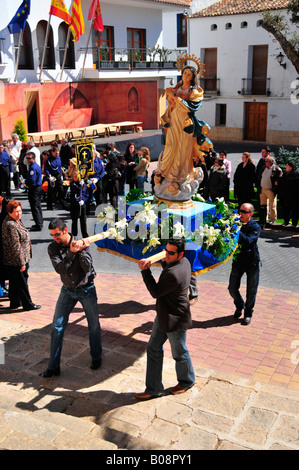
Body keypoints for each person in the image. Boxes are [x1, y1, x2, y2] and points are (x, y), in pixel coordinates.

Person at [40, 218, 102, 378]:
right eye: (53, 235)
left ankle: (96, 357)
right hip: (67, 290)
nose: (55, 238)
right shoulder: (52, 248)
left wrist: (80, 250)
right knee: (57, 327)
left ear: (65, 230)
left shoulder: (81, 242)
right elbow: (61, 269)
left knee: (93, 325)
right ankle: (53, 367)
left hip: (86, 289)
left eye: (57, 234)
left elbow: (87, 268)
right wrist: (71, 252)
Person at [136, 238, 195, 400]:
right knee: (153, 348)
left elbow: (155, 292)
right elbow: (169, 280)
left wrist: (145, 271)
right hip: (164, 315)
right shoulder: (185, 262)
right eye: (165, 250)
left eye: (170, 253)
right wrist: (165, 262)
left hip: (175, 318)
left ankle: (186, 381)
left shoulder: (172, 273)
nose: (166, 254)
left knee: (179, 352)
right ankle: (154, 388)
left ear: (180, 253)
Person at [2, 200, 41, 311]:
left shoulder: (16, 221)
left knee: (15, 282)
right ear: (9, 212)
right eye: (16, 212)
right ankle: (28, 304)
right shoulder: (11, 224)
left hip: (18, 258)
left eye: (20, 211)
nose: (19, 214)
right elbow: (15, 246)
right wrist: (21, 262)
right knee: (22, 282)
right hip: (16, 260)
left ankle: (15, 302)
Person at [228, 203, 261, 325]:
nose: (240, 213)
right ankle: (239, 304)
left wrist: (236, 230)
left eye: (244, 212)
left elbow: (247, 241)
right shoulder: (235, 223)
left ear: (251, 214)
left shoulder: (255, 227)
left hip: (252, 262)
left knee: (251, 289)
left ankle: (248, 313)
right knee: (232, 288)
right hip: (238, 261)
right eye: (240, 211)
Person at [256, 156, 282, 228]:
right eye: (265, 161)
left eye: (267, 161)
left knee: (272, 205)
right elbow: (260, 176)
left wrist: (276, 186)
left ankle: (272, 219)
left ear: (271, 162)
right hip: (263, 189)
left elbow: (280, 179)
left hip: (271, 190)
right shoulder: (264, 167)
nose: (265, 162)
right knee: (263, 205)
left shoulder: (277, 169)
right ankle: (265, 218)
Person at [25, 152, 44, 232]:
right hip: (38, 188)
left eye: (29, 158)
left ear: (33, 158)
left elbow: (32, 180)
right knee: (38, 206)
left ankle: (38, 225)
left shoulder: (32, 167)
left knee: (34, 207)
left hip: (34, 188)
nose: (28, 160)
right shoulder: (36, 166)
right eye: (27, 158)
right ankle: (39, 222)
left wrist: (26, 182)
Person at [278, 161, 299, 228]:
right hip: (285, 195)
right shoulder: (285, 173)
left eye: (287, 166)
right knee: (286, 209)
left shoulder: (296, 174)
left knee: (294, 210)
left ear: (291, 167)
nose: (286, 167)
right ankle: (286, 221)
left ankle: (294, 223)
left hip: (294, 196)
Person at [69, 170, 89, 239]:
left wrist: (83, 200)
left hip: (82, 205)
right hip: (74, 205)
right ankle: (74, 236)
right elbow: (75, 193)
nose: (74, 178)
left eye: (76, 177)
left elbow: (86, 194)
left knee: (83, 221)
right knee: (74, 221)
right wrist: (80, 186)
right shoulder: (72, 184)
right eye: (73, 177)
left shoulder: (83, 184)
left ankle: (85, 236)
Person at [44, 145, 63, 210]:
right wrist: (49, 176)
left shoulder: (59, 158)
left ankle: (63, 204)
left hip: (58, 175)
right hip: (52, 176)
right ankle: (49, 205)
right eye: (56, 153)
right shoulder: (48, 160)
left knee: (61, 189)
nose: (57, 154)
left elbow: (59, 167)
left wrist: (61, 175)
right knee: (51, 192)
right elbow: (46, 169)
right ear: (52, 152)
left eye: (58, 153)